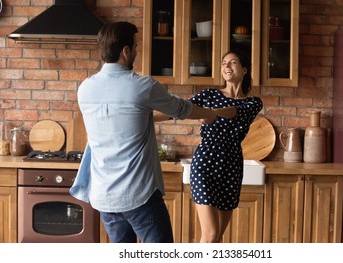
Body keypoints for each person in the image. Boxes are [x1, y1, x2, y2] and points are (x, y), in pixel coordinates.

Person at [69, 21, 229, 243]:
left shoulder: (85, 88)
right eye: (135, 47)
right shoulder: (142, 86)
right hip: (139, 195)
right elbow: (181, 108)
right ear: (126, 51)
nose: (136, 51)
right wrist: (211, 115)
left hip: (105, 197)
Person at [190, 50, 263, 243]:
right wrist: (146, 115)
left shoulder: (253, 103)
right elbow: (180, 109)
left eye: (232, 63)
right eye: (223, 63)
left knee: (217, 237)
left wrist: (209, 113)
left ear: (244, 69)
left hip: (231, 166)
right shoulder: (209, 94)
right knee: (211, 235)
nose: (226, 67)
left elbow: (233, 112)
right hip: (205, 161)